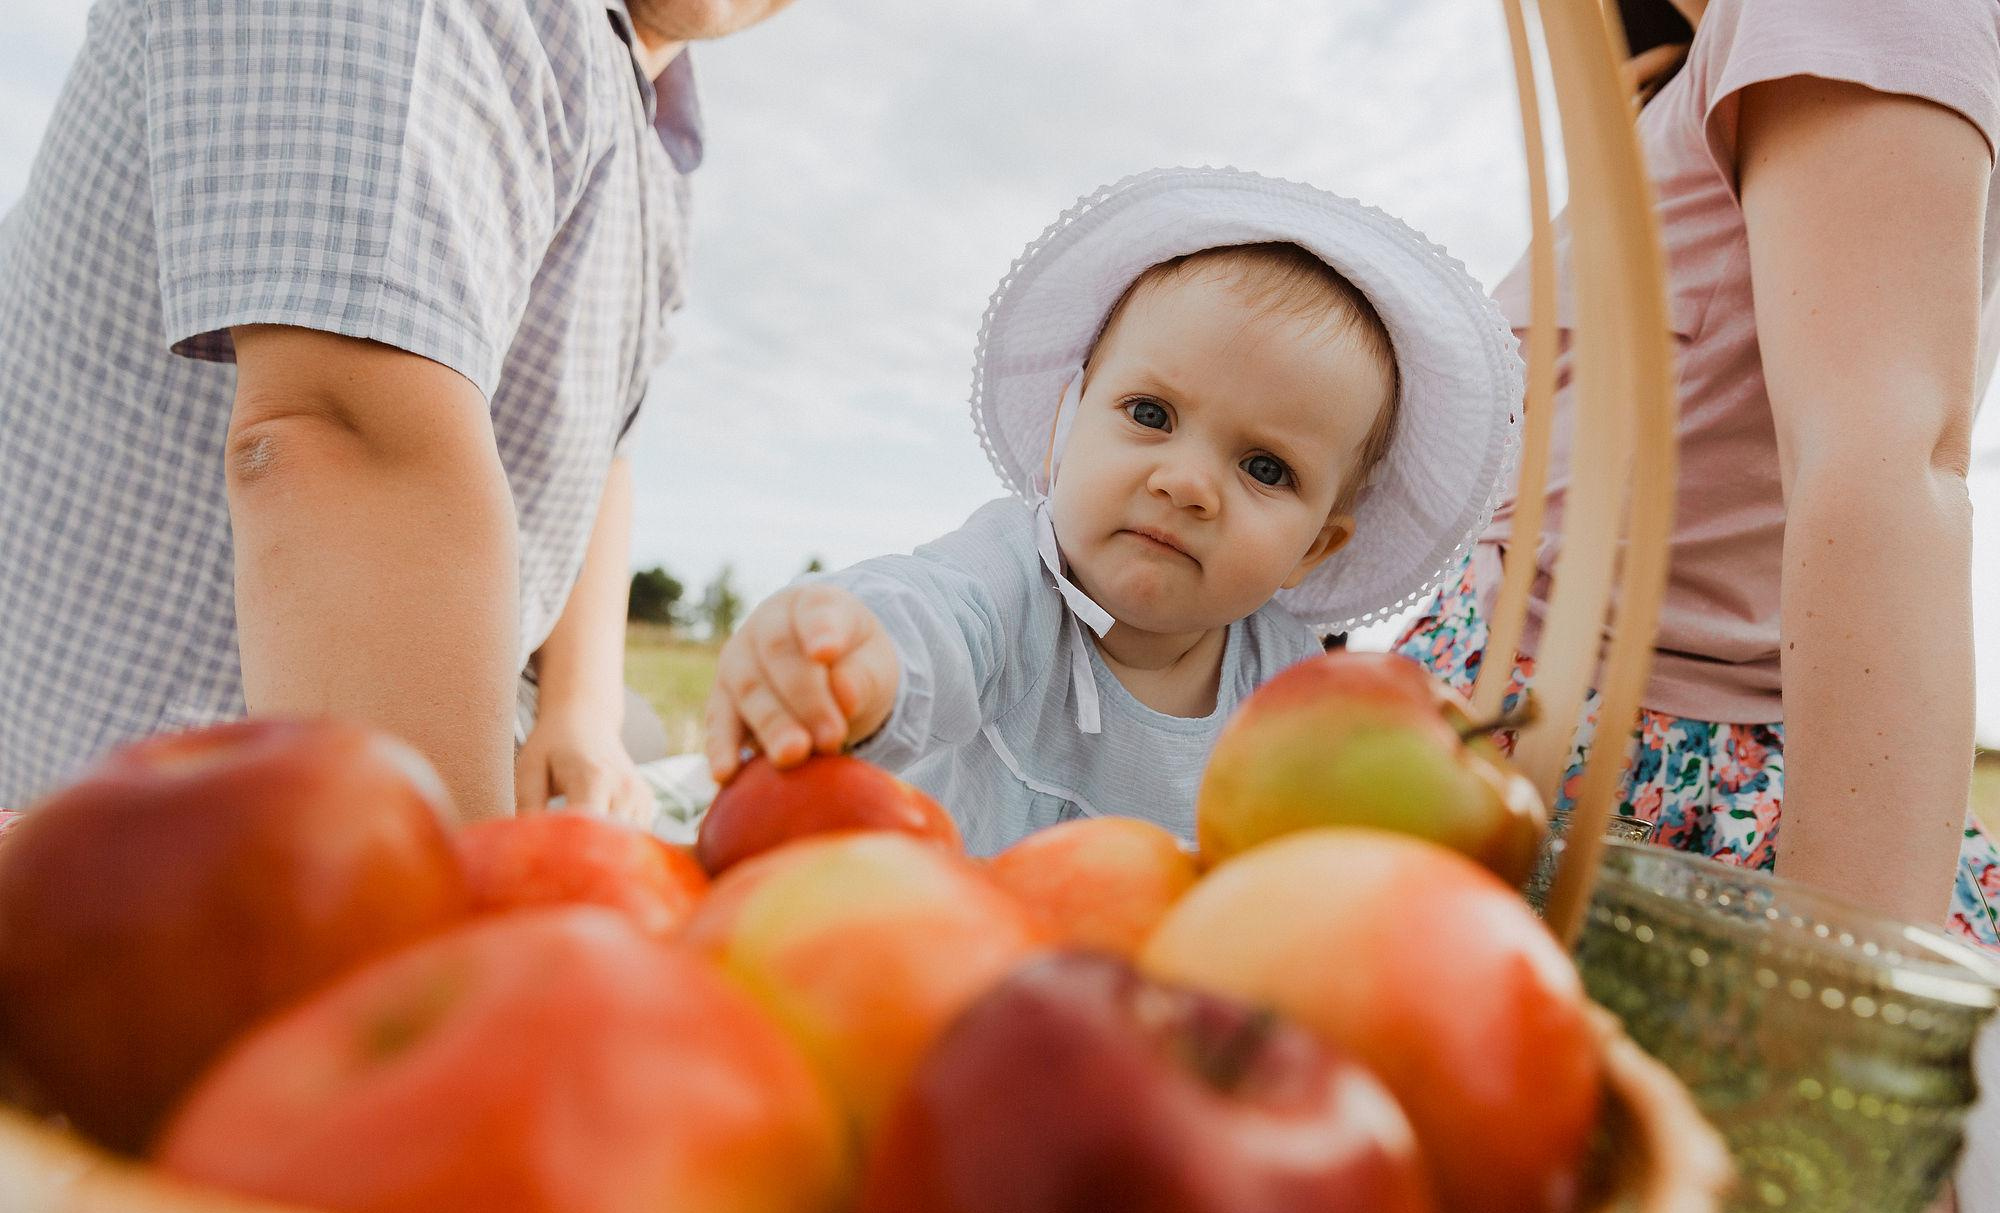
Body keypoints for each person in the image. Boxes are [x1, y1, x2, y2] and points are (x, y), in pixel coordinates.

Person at [1388, 1, 2000, 1213]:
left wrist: (1842, 1072)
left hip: (1677, 886)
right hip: (1505, 834)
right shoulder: (1664, 87)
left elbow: (1883, 470)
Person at [0, 0, 798, 826]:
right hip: (113, 773)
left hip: (355, 745)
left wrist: (582, 707)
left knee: (634, 728)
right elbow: (341, 440)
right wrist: (450, 899)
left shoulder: (657, 162)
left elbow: (605, 454)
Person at [701, 167, 1524, 854]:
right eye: (1151, 414)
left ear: (1315, 547)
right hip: (937, 950)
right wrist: (862, 654)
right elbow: (935, 613)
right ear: (1064, 429)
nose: (1187, 483)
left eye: (1265, 468)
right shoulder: (1014, 578)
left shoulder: (1284, 680)